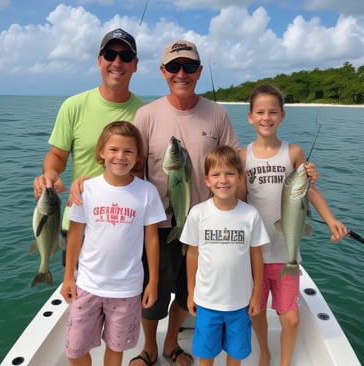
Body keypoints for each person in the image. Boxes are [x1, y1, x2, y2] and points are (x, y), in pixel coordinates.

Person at [130, 40, 241, 366]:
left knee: (189, 289)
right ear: (163, 71)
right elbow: (132, 169)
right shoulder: (146, 115)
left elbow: (235, 166)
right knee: (154, 292)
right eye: (174, 67)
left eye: (189, 67)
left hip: (207, 226)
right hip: (159, 226)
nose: (182, 73)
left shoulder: (218, 113)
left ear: (200, 72)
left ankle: (171, 343)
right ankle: (148, 345)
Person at [238, 83, 348, 366]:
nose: (266, 117)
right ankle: (265, 353)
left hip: (286, 255)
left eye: (273, 112)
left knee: (292, 318)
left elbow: (309, 191)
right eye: (260, 112)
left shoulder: (294, 152)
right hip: (255, 256)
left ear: (283, 116)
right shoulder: (242, 156)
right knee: (256, 311)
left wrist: (331, 219)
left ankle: (284, 363)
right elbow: (237, 202)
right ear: (250, 116)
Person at [60, 121, 166, 366]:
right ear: (101, 152)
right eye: (114, 149)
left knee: (116, 348)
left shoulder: (147, 192)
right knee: (74, 349)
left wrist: (153, 281)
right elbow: (75, 235)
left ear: (138, 156)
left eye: (128, 151)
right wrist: (68, 276)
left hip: (127, 289)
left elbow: (151, 239)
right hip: (87, 285)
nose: (120, 156)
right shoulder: (86, 189)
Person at [33, 28, 144, 243]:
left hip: (126, 224)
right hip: (78, 222)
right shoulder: (72, 106)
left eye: (126, 56)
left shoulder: (147, 113)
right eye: (110, 55)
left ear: (135, 65)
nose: (117, 63)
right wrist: (50, 173)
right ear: (99, 61)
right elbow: (57, 155)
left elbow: (143, 169)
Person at [180, 145, 269, 366]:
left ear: (240, 178)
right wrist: (191, 292)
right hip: (207, 301)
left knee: (236, 354)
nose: (223, 180)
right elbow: (192, 254)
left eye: (230, 173)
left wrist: (256, 294)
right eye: (216, 174)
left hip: (240, 302)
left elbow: (256, 256)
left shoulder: (250, 214)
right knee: (206, 354)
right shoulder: (198, 213)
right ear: (207, 180)